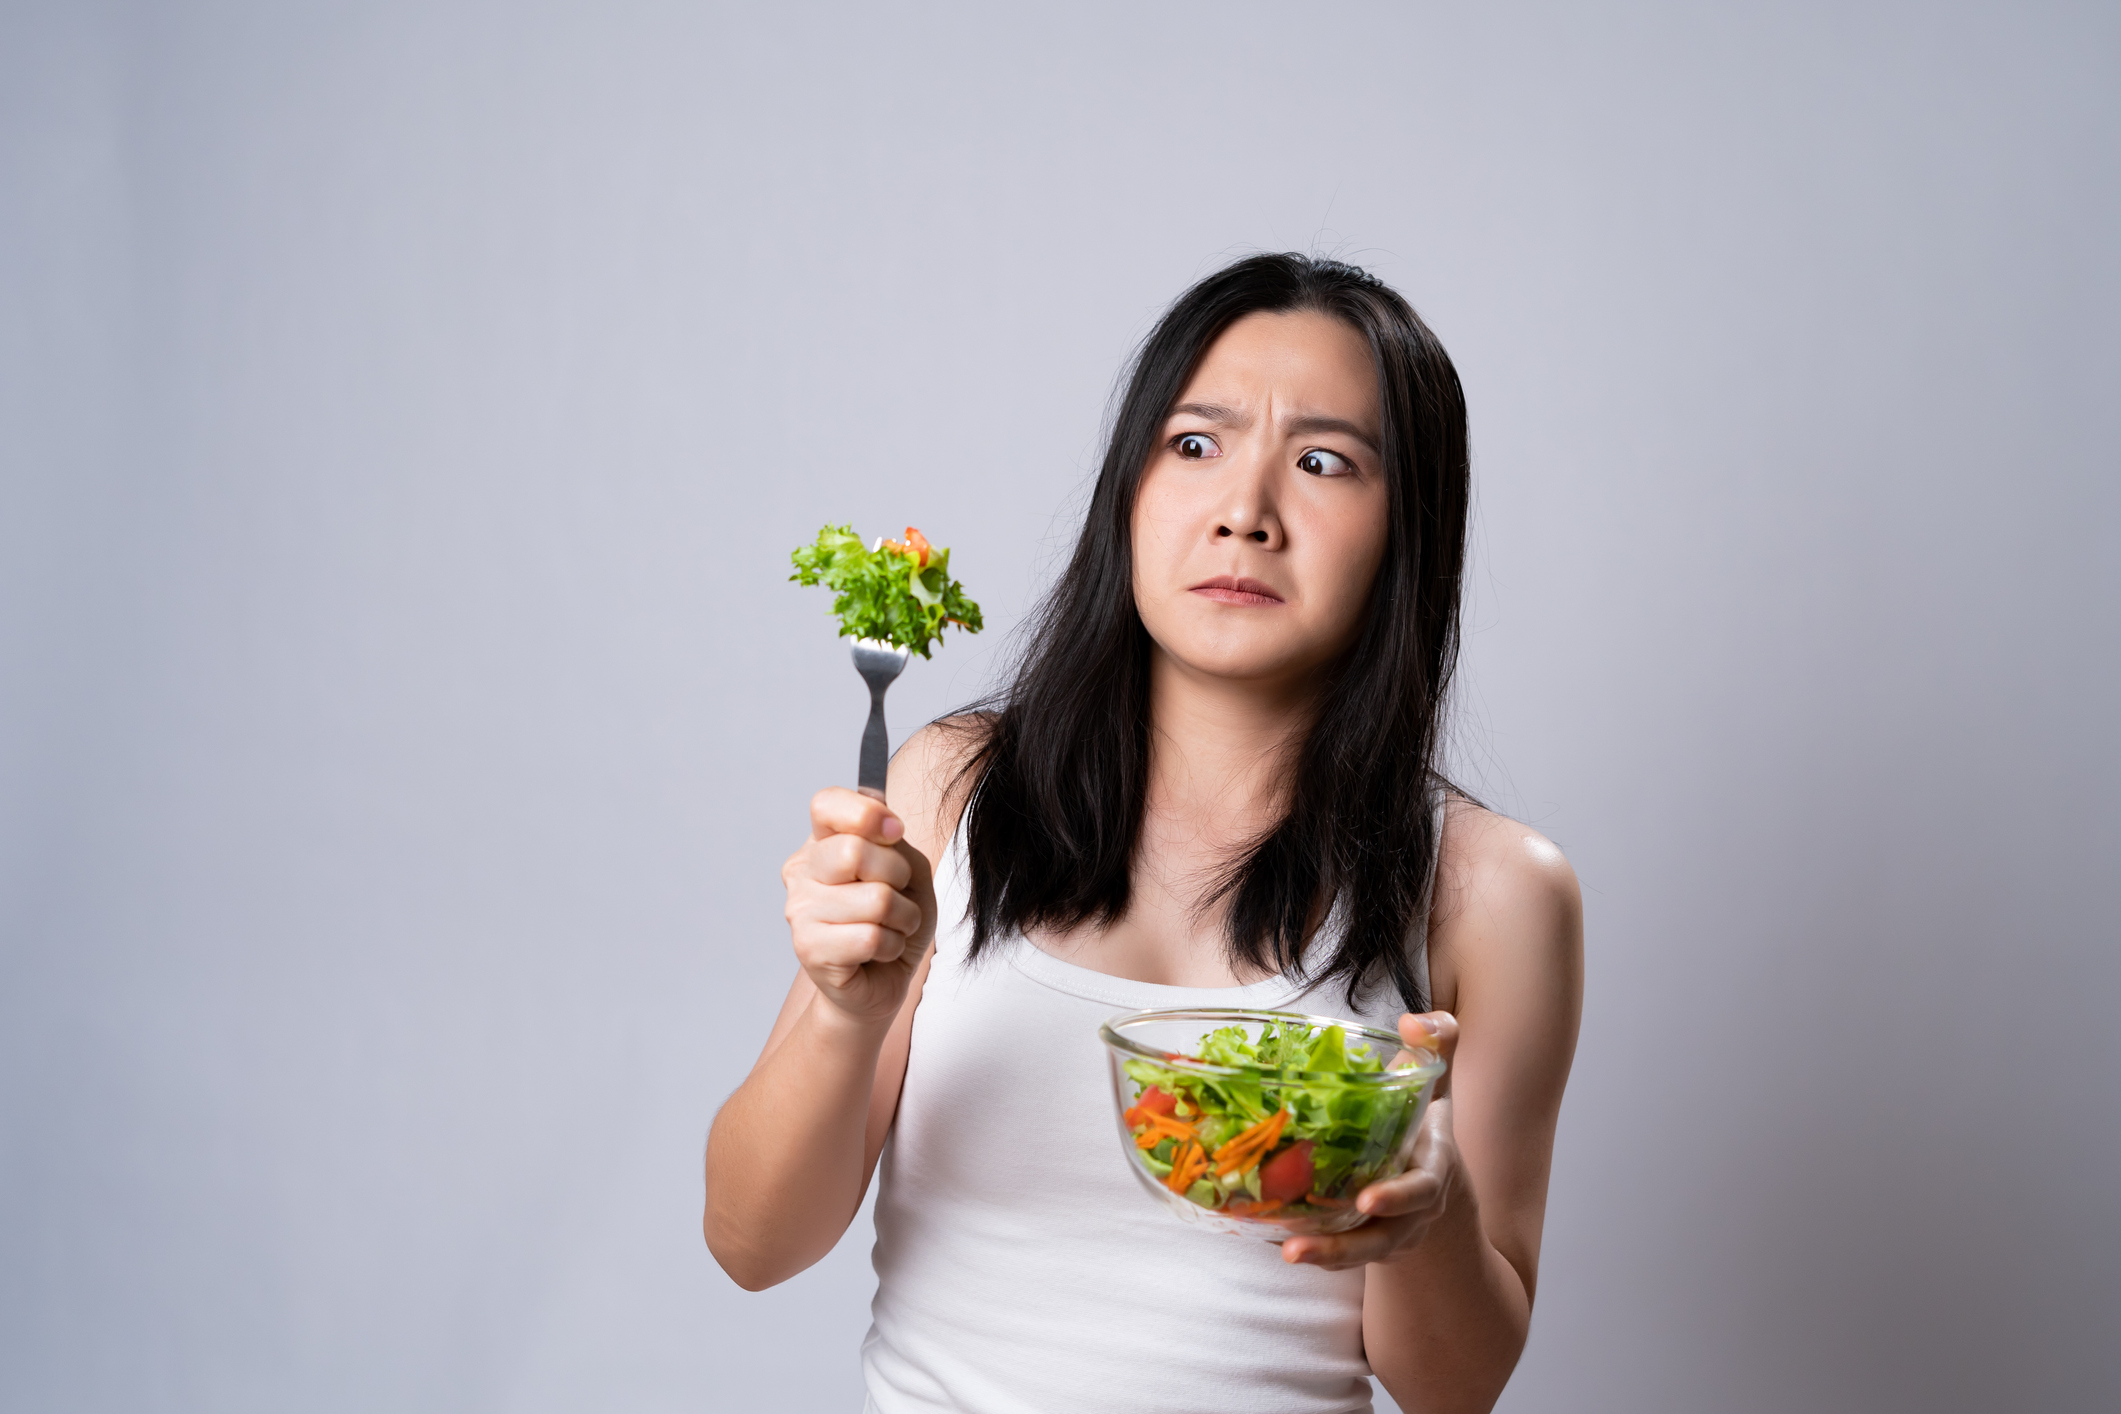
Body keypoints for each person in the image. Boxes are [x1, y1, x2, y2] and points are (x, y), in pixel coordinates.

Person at [703, 253, 1583, 1414]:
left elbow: (1456, 1388)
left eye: (1324, 462)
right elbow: (752, 1243)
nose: (1244, 512)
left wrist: (1429, 1211)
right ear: (1129, 491)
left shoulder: (1495, 888)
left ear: (1407, 529)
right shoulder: (954, 786)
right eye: (1196, 445)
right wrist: (843, 1009)